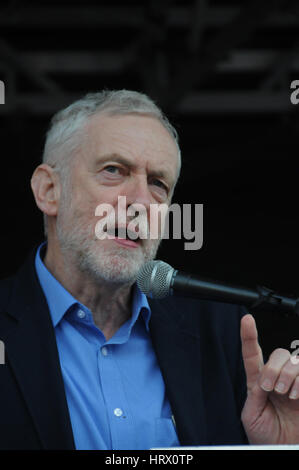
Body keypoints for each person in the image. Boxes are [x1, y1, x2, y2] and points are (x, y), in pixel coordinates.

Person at [0, 89, 299, 450]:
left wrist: (278, 449)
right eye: (114, 170)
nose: (141, 202)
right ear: (49, 190)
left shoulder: (219, 332)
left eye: (158, 184)